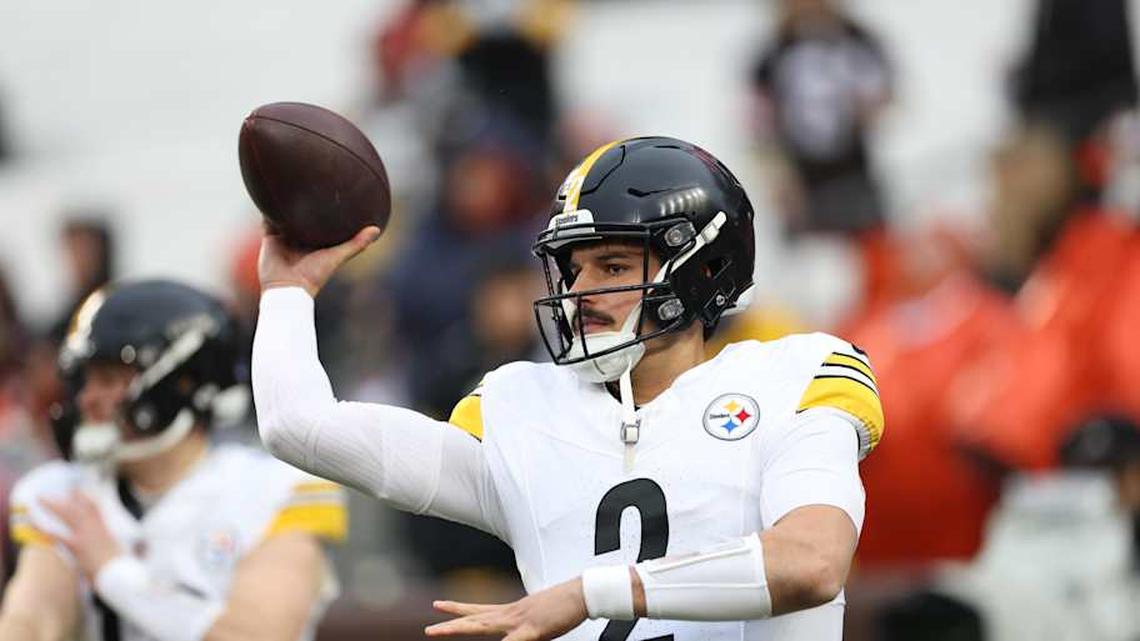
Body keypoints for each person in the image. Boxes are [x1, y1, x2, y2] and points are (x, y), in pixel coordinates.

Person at [254, 137, 884, 640]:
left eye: (611, 267)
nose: (579, 293)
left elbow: (811, 563)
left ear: (705, 269)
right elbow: (298, 426)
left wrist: (591, 593)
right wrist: (288, 291)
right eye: (571, 268)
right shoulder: (520, 408)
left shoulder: (794, 375)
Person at [0, 280, 346, 641]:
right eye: (85, 381)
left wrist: (113, 571)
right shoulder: (63, 493)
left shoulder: (275, 490)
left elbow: (257, 635)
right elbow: (32, 622)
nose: (87, 398)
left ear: (183, 383)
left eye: (108, 379)